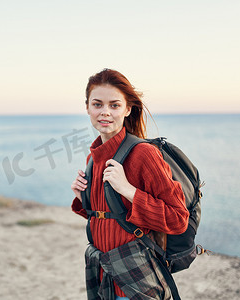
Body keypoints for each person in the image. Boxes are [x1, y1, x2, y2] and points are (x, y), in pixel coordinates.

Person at [70, 69, 189, 300]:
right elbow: (112, 218)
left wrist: (129, 190)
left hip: (135, 283)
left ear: (127, 109)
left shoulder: (144, 154)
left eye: (114, 105)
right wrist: (81, 198)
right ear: (87, 108)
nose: (105, 112)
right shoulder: (92, 159)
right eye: (97, 104)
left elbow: (178, 219)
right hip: (102, 277)